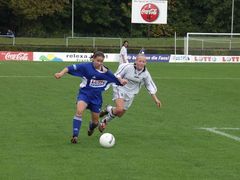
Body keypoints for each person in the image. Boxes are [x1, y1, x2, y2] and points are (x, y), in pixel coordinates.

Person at [54, 51, 127, 144]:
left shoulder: (106, 72)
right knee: (79, 111)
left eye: (101, 61)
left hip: (96, 99)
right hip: (84, 94)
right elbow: (69, 68)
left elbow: (116, 79)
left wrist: (122, 81)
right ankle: (75, 136)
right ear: (93, 59)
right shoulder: (85, 67)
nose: (99, 63)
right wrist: (60, 74)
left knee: (95, 122)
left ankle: (91, 127)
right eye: (98, 60)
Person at [99, 53, 162, 132]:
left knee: (120, 114)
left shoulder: (145, 74)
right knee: (119, 108)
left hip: (131, 94)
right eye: (139, 61)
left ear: (145, 63)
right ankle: (104, 122)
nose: (141, 63)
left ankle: (108, 108)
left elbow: (149, 86)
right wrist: (121, 80)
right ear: (135, 61)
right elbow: (117, 74)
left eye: (143, 62)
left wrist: (156, 99)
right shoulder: (128, 67)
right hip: (120, 88)